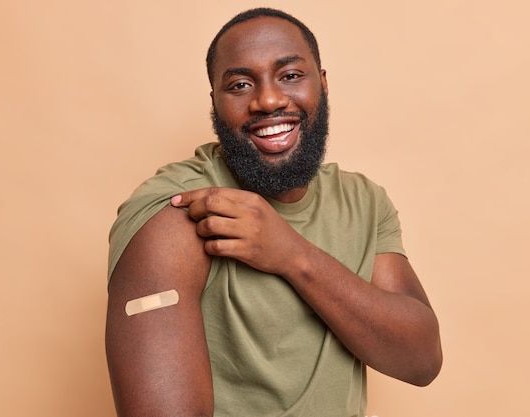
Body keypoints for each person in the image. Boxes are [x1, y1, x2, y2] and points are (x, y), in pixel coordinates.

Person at [105, 7, 442, 417]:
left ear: (323, 83)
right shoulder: (177, 210)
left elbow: (421, 360)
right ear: (215, 102)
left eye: (290, 76)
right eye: (240, 84)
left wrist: (292, 254)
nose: (267, 99)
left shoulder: (364, 201)